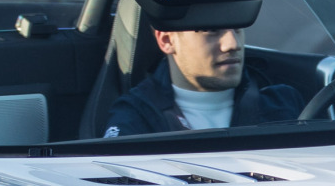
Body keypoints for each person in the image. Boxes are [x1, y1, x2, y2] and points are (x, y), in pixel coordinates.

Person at [104, 22, 306, 138]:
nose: (232, 44)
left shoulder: (283, 103)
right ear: (167, 40)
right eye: (211, 30)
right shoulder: (136, 119)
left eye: (238, 29)